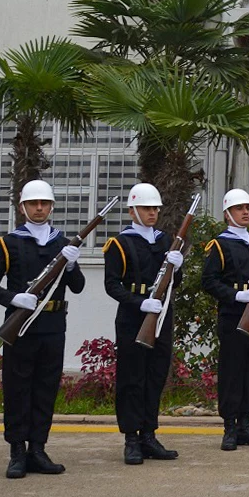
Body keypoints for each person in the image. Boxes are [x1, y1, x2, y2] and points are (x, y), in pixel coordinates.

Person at [0, 179, 84, 479]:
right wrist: (13, 297)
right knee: (17, 388)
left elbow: (77, 288)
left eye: (45, 203)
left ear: (51, 207)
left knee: (46, 388)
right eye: (34, 203)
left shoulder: (62, 243)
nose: (40, 208)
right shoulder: (9, 243)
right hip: (21, 325)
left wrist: (73, 267)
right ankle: (16, 451)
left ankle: (38, 448)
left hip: (53, 326)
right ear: (22, 207)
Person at [103, 183, 182, 465]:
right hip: (133, 315)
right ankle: (131, 438)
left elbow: (176, 284)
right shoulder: (119, 243)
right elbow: (111, 285)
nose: (153, 213)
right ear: (132, 210)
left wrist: (177, 265)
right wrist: (138, 302)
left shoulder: (165, 241)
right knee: (132, 377)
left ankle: (149, 434)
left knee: (155, 374)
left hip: (160, 313)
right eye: (147, 208)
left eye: (155, 208)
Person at [200, 188, 249, 452]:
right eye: (240, 208)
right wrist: (237, 295)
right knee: (232, 371)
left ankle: (246, 423)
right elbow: (208, 282)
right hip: (234, 315)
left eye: (248, 208)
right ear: (227, 214)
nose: (246, 212)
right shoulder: (220, 245)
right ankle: (230, 426)